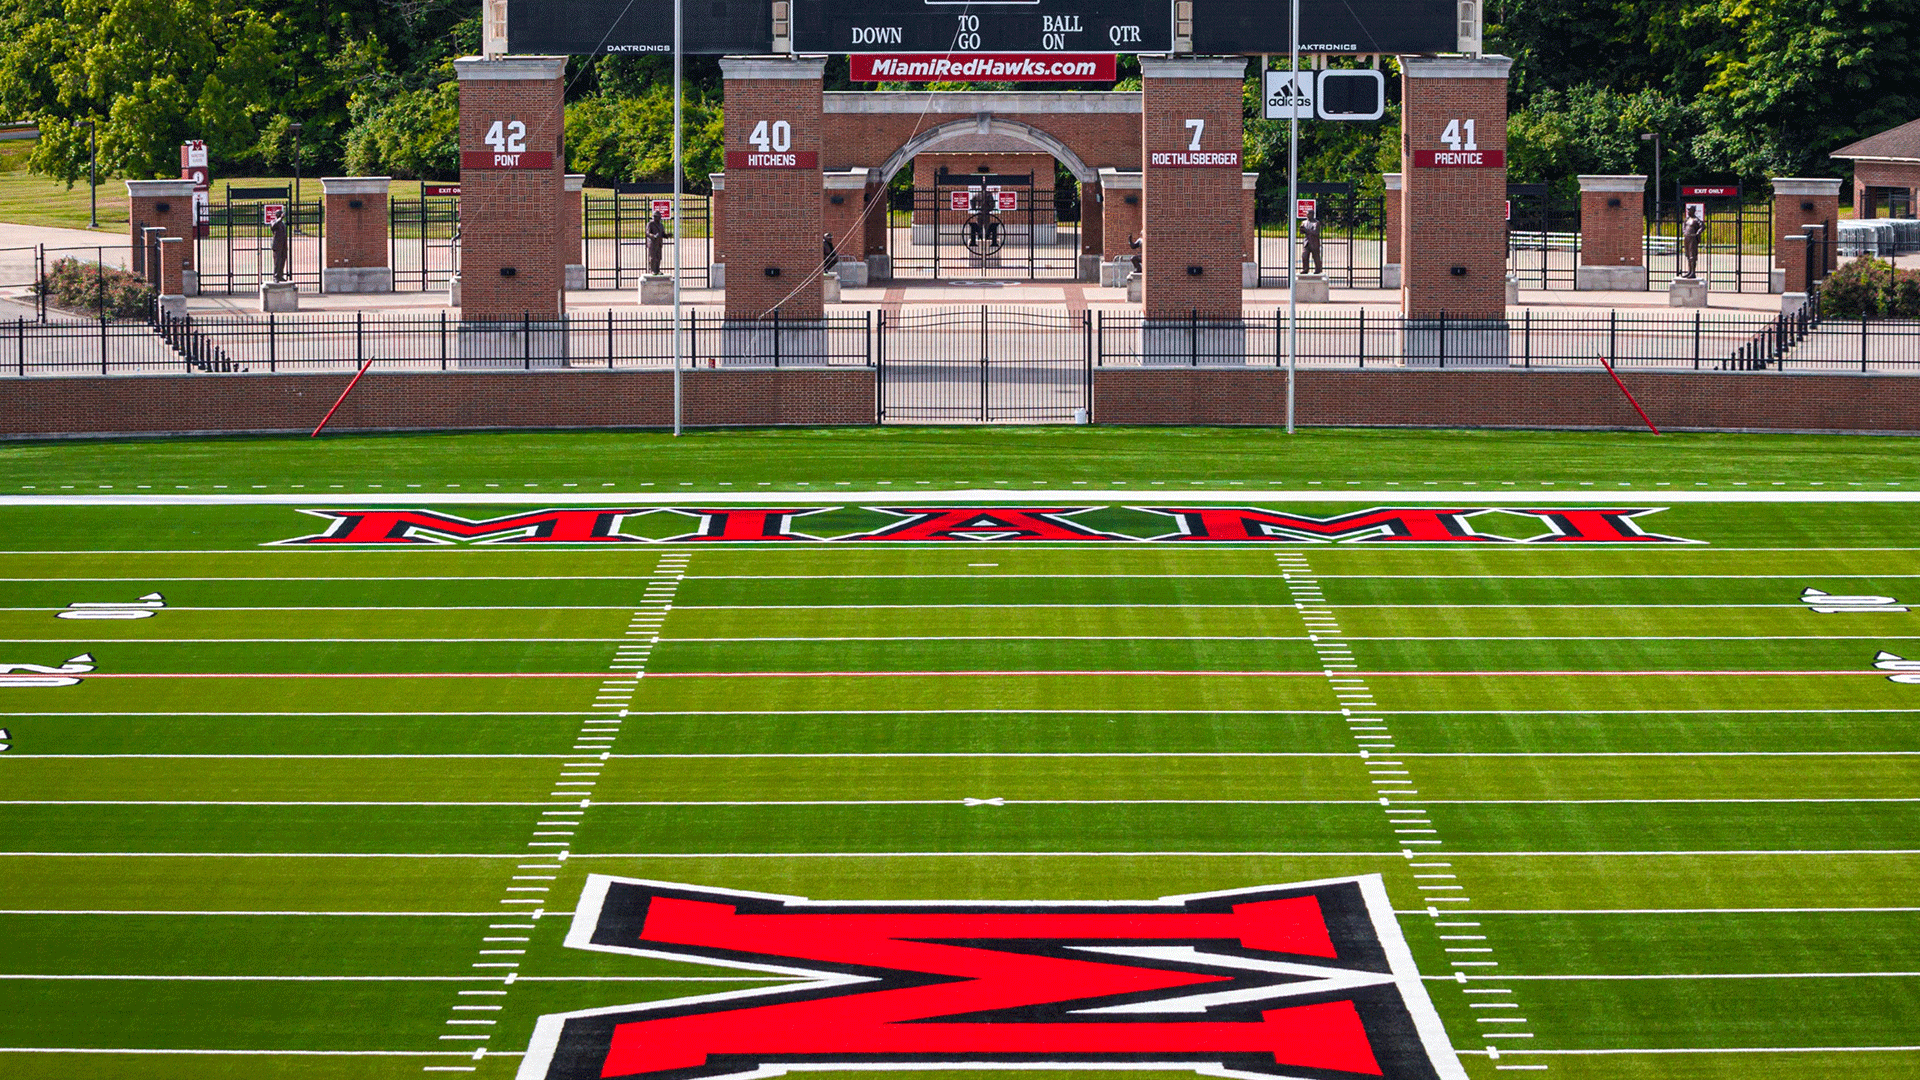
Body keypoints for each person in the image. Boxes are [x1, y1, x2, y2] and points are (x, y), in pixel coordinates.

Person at [1681, 206, 1704, 279]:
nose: (1688, 212)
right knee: (1688, 255)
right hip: (1687, 238)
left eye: (1689, 210)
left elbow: (1703, 226)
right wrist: (1684, 231)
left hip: (1693, 238)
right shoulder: (1687, 219)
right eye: (1688, 210)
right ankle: (1689, 271)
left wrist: (1698, 232)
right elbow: (1683, 226)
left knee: (1692, 256)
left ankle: (1693, 272)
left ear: (1693, 211)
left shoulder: (1696, 219)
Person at [1300, 208, 1323, 276]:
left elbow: (1316, 233)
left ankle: (1318, 269)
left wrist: (1306, 230)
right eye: (1306, 214)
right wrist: (1301, 229)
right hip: (1306, 242)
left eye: (1308, 214)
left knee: (1316, 257)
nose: (1307, 215)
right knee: (1304, 256)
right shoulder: (1304, 222)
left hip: (1314, 243)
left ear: (1312, 214)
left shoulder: (1316, 223)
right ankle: (1305, 269)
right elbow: (1302, 232)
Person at [646, 211, 667, 275]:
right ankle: (652, 270)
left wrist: (666, 235)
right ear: (655, 217)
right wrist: (653, 236)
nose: (660, 218)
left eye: (660, 217)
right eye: (658, 217)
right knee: (653, 257)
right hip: (652, 243)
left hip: (659, 243)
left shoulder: (661, 225)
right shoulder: (650, 224)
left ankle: (657, 270)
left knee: (658, 257)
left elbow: (662, 233)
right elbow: (647, 233)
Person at [270, 215, 290, 282]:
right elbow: (273, 226)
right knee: (277, 262)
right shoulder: (274, 221)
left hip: (283, 246)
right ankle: (275, 277)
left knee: (282, 261)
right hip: (277, 246)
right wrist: (280, 218)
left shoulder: (283, 223)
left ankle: (280, 275)